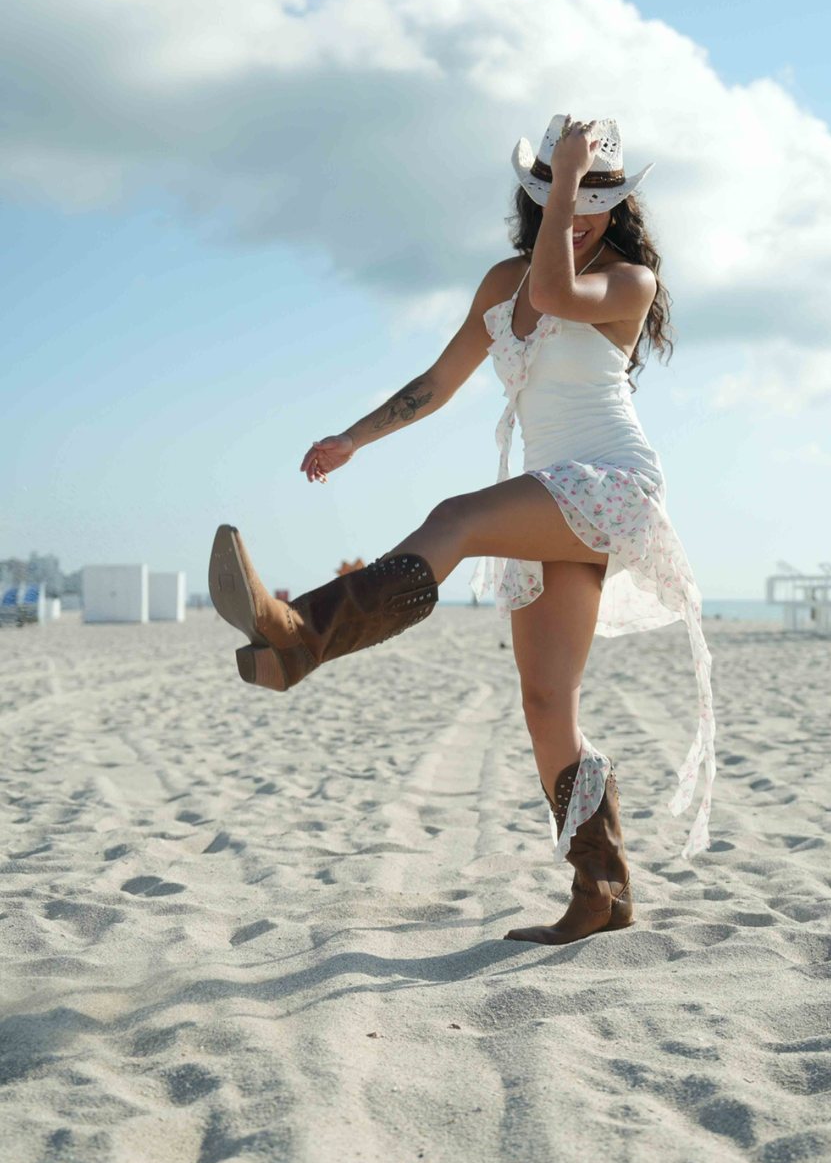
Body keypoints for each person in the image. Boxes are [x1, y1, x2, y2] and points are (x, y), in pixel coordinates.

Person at [208, 114, 716, 945]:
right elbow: (438, 382)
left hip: (611, 485)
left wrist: (564, 183)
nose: (578, 213)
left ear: (616, 206)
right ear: (534, 196)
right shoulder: (502, 282)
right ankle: (603, 891)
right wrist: (353, 438)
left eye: (595, 199)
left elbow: (556, 295)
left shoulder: (631, 282)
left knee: (457, 518)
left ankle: (299, 636)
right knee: (546, 701)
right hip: (550, 500)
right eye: (561, 195)